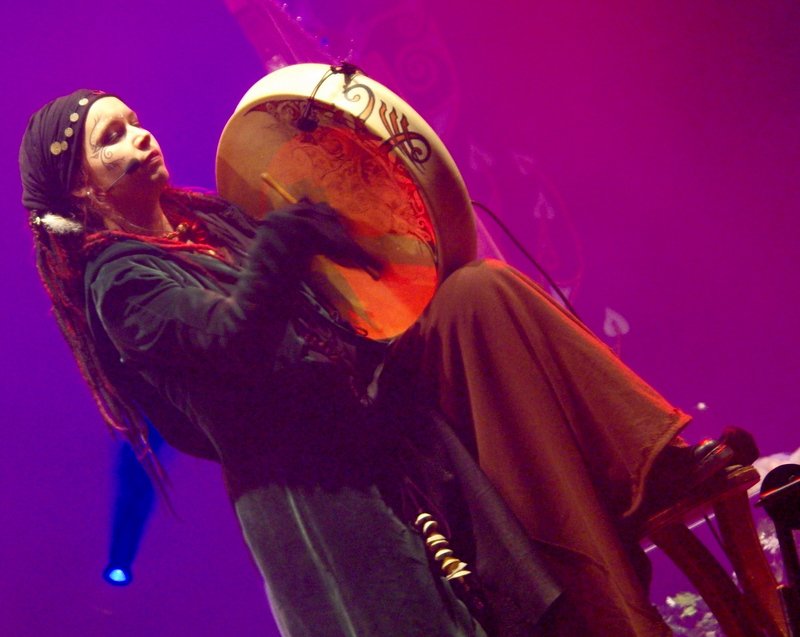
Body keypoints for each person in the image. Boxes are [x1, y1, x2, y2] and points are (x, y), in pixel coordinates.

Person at [19, 89, 753, 637]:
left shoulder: (207, 220)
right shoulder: (120, 283)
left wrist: (369, 240)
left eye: (134, 121)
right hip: (319, 488)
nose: (141, 135)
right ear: (82, 188)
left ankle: (650, 465)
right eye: (113, 138)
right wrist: (285, 243)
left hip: (377, 419)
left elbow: (334, 300)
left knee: (479, 292)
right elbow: (231, 344)